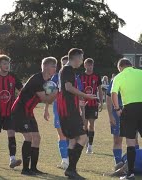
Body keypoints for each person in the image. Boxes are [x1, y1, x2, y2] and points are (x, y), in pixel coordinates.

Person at [111, 58, 142, 179]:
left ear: (120, 67)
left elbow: (114, 93)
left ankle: (130, 173)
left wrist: (117, 109)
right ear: (131, 66)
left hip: (129, 108)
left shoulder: (119, 76)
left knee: (130, 141)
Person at [11, 57, 58, 175]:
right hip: (20, 110)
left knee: (37, 138)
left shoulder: (47, 81)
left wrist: (53, 95)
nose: (55, 69)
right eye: (53, 66)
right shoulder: (37, 80)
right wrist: (57, 93)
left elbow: (48, 98)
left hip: (28, 111)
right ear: (46, 66)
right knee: (28, 138)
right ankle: (25, 170)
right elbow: (46, 98)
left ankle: (33, 168)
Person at [57, 48, 97, 179]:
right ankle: (71, 169)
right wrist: (85, 95)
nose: (81, 61)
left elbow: (66, 90)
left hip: (68, 109)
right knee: (83, 137)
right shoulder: (67, 69)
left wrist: (78, 101)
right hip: (68, 111)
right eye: (81, 58)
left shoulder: (67, 70)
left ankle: (71, 170)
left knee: (73, 140)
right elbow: (68, 87)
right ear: (75, 57)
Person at [44, 55, 84, 170]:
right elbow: (48, 93)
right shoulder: (56, 77)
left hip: (73, 110)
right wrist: (46, 108)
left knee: (73, 137)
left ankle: (70, 162)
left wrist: (81, 107)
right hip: (59, 109)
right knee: (61, 135)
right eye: (63, 64)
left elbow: (79, 93)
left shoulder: (75, 77)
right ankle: (65, 160)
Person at [106, 77, 139, 166]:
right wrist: (110, 115)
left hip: (132, 112)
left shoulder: (135, 79)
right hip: (117, 113)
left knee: (134, 139)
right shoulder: (115, 80)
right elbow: (109, 98)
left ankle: (135, 163)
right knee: (117, 140)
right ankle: (118, 163)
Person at [79, 58, 103, 154]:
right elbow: (78, 90)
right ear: (84, 66)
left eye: (91, 65)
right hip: (84, 104)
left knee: (91, 125)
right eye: (88, 65)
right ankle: (85, 143)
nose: (89, 67)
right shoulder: (80, 76)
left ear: (93, 65)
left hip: (93, 104)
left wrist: (101, 101)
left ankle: (90, 146)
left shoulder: (96, 76)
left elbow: (100, 90)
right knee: (84, 125)